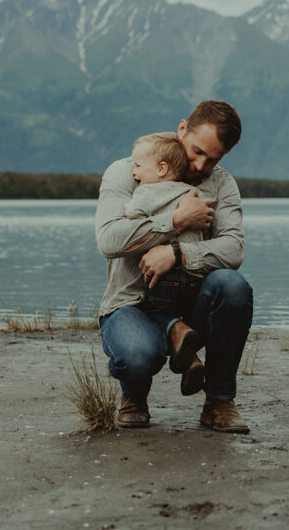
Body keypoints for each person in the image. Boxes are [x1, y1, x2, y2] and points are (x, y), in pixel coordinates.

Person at [95, 101, 253, 433]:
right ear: (182, 129)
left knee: (233, 286)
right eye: (197, 152)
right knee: (137, 355)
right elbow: (109, 239)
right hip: (131, 304)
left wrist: (177, 254)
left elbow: (233, 248)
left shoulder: (222, 184)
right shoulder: (129, 171)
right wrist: (176, 220)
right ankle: (134, 395)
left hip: (191, 302)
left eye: (213, 159)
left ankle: (219, 402)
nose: (201, 164)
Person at [122, 131, 213, 396]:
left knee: (147, 310)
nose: (133, 173)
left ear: (161, 169)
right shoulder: (192, 193)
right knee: (174, 313)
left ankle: (177, 328)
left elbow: (129, 223)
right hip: (194, 277)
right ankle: (191, 361)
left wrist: (135, 200)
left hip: (165, 278)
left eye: (138, 166)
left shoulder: (146, 193)